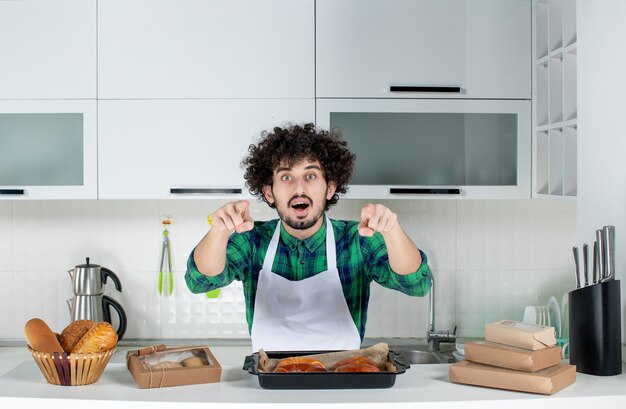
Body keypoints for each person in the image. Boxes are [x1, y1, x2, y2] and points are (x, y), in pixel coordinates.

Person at [185, 123, 431, 352]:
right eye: (286, 177)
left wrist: (392, 230)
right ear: (269, 193)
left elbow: (417, 285)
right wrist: (218, 232)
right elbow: (200, 281)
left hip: (343, 383)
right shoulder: (251, 241)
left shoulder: (358, 241)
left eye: (310, 176)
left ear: (330, 188)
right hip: (271, 387)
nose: (299, 188)